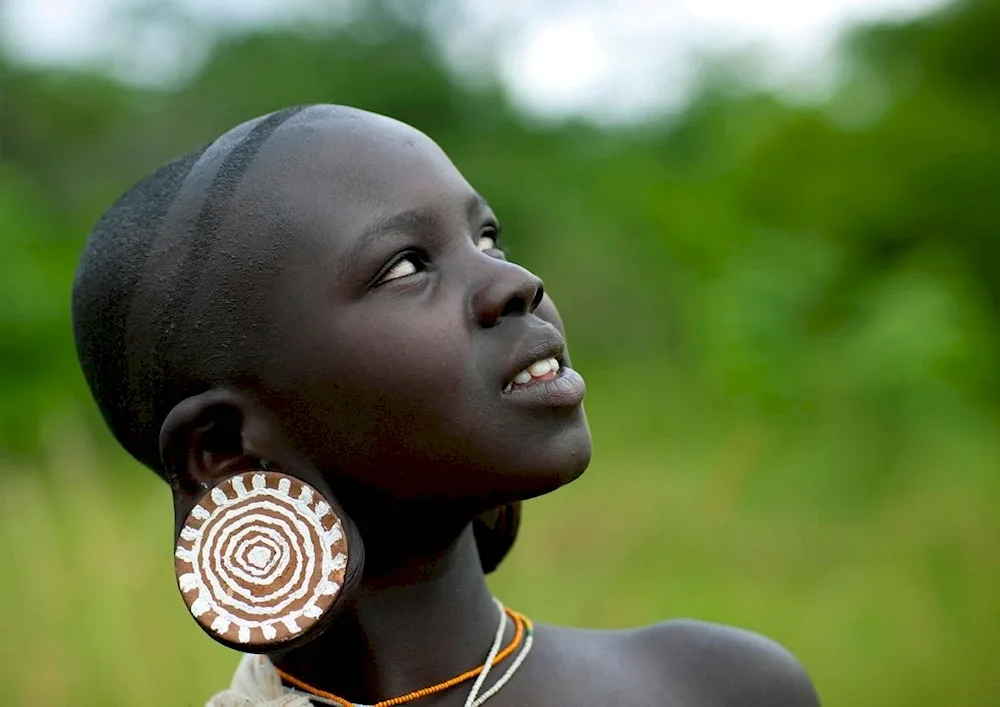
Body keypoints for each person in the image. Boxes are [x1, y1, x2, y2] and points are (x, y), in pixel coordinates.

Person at [72, 104, 820, 707]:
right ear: (227, 447)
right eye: (405, 265)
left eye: (487, 237)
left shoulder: (718, 686)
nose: (517, 281)